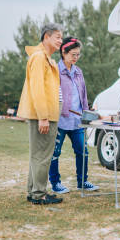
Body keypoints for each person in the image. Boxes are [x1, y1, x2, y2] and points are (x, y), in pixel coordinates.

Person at [18, 23, 64, 205]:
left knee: (38, 154)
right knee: (43, 154)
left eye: (61, 37)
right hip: (43, 115)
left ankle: (34, 191)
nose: (61, 40)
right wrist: (43, 117)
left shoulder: (46, 58)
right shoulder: (39, 58)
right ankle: (39, 194)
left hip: (49, 113)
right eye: (58, 37)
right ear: (46, 37)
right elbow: (37, 89)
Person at [49, 36, 98, 193]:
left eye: (78, 54)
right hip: (61, 119)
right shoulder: (55, 71)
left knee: (82, 151)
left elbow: (83, 94)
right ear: (64, 52)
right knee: (55, 153)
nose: (76, 57)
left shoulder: (78, 72)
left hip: (77, 120)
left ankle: (82, 182)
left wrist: (86, 112)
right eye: (73, 54)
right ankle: (55, 183)